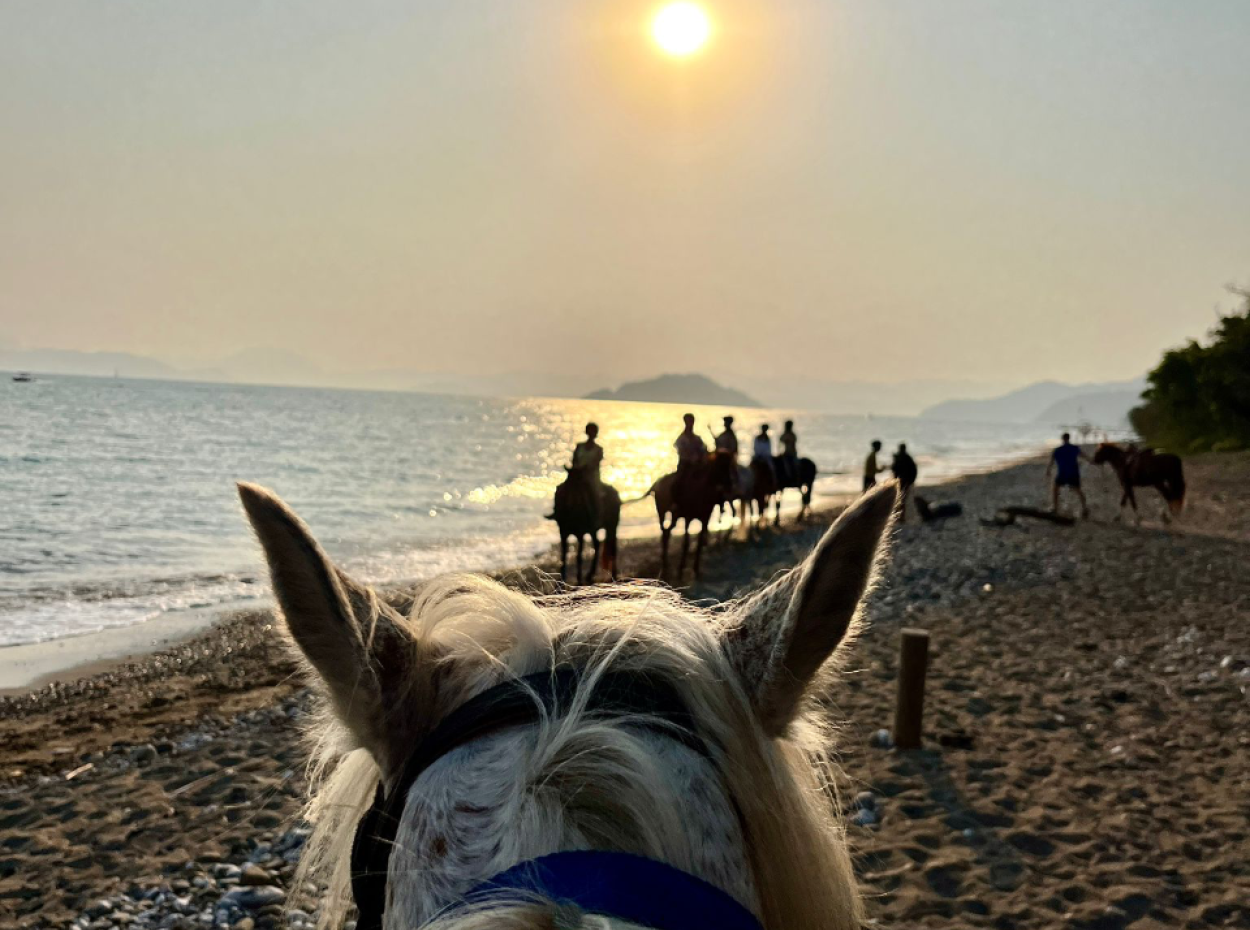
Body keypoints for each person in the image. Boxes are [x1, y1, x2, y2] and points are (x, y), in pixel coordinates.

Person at [1046, 432, 1089, 518]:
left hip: (1063, 473)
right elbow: (1084, 456)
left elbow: (1051, 461)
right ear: (1069, 438)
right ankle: (1085, 508)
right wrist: (1092, 461)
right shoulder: (1074, 448)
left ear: (1062, 439)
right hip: (1073, 473)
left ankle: (1055, 508)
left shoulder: (1058, 450)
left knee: (1055, 489)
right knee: (1078, 490)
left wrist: (1048, 470)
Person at [891, 443, 918, 520]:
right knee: (901, 499)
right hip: (904, 481)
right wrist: (912, 480)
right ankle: (900, 517)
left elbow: (894, 469)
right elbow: (914, 469)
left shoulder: (901, 458)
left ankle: (900, 517)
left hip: (902, 482)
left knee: (899, 499)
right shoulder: (907, 458)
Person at [779, 420, 798, 486]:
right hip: (786, 454)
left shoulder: (792, 435)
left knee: (795, 465)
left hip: (792, 454)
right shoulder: (785, 434)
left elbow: (792, 445)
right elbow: (780, 442)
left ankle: (795, 478)